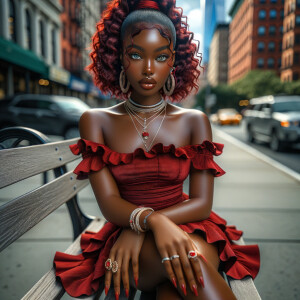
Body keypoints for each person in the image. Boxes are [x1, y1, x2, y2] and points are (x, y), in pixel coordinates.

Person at [54, 0, 260, 299]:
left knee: (187, 265)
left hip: (190, 226)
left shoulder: (194, 121)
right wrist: (150, 223)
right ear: (120, 58)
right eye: (136, 55)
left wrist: (147, 226)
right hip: (128, 234)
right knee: (179, 278)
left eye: (160, 56)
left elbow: (202, 203)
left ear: (173, 60)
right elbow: (109, 202)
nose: (148, 69)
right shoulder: (96, 121)